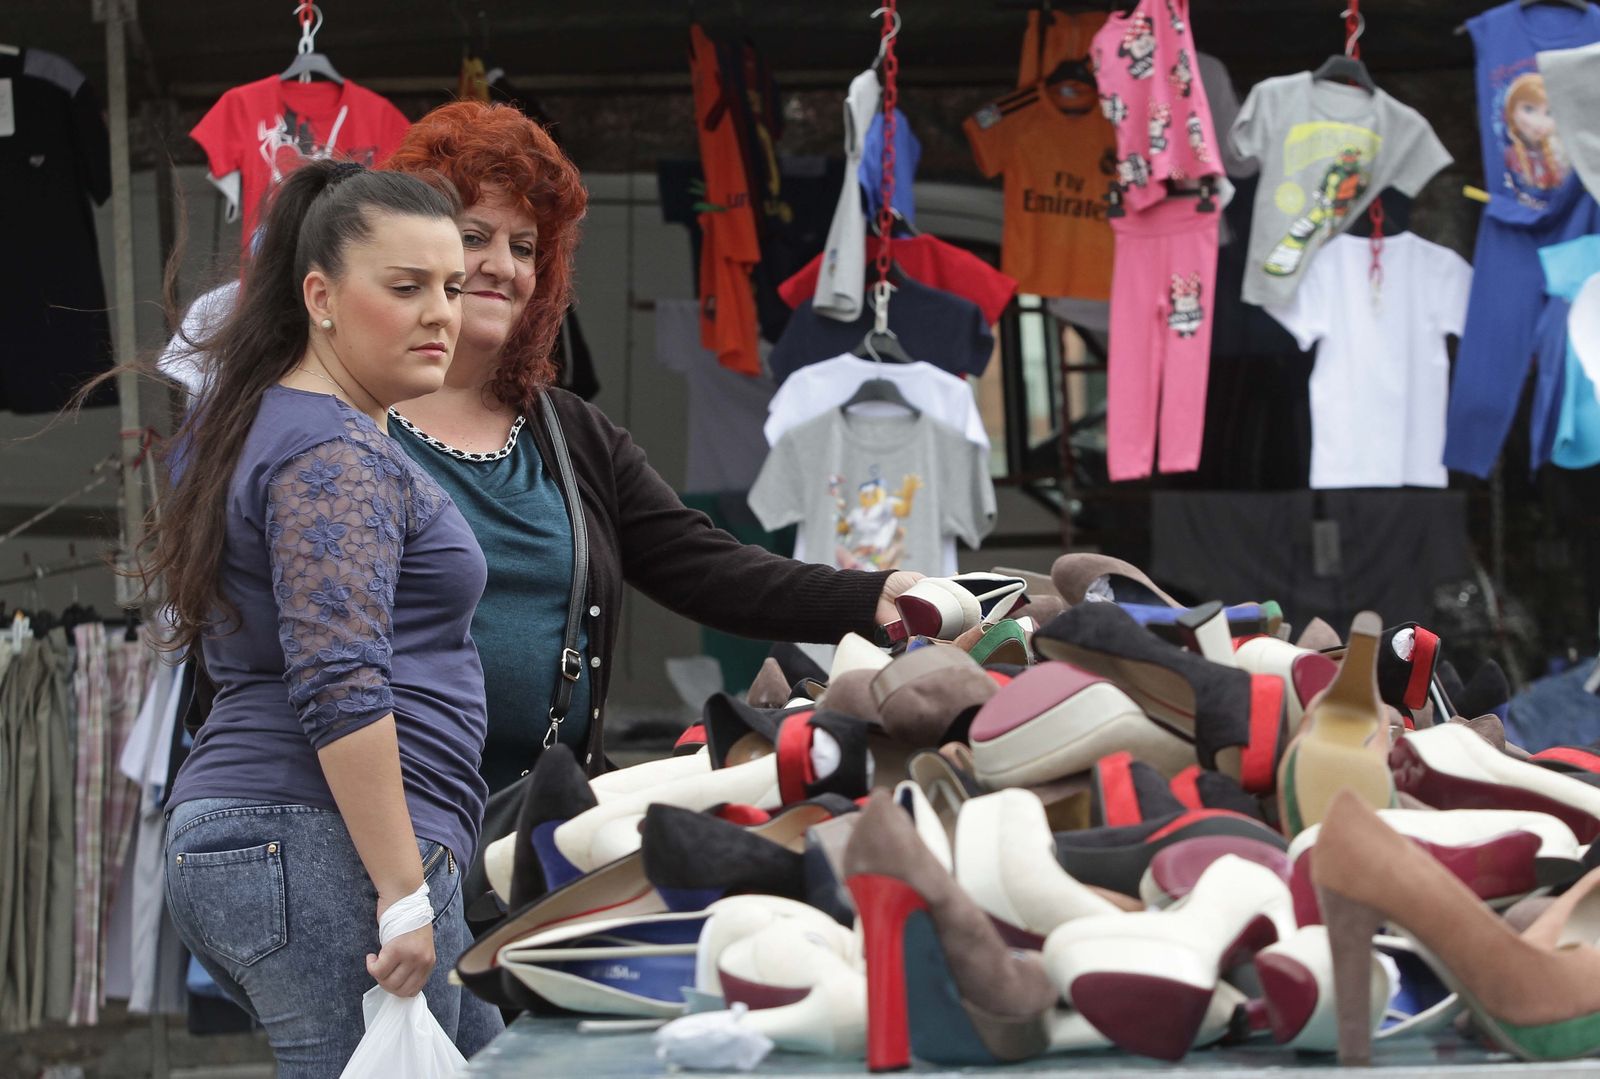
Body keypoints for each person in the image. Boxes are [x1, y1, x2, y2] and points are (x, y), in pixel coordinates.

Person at [380, 100, 919, 793]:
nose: (502, 266)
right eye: (474, 235)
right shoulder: (351, 420)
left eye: (523, 247)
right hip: (384, 825)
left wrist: (874, 596)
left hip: (538, 822)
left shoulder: (574, 434)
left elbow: (705, 566)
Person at [147, 160, 502, 1075]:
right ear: (322, 297)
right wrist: (401, 892)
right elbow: (338, 678)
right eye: (407, 286)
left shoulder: (308, 428)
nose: (443, 314)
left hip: (299, 839)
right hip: (317, 841)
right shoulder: (326, 450)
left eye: (452, 288)